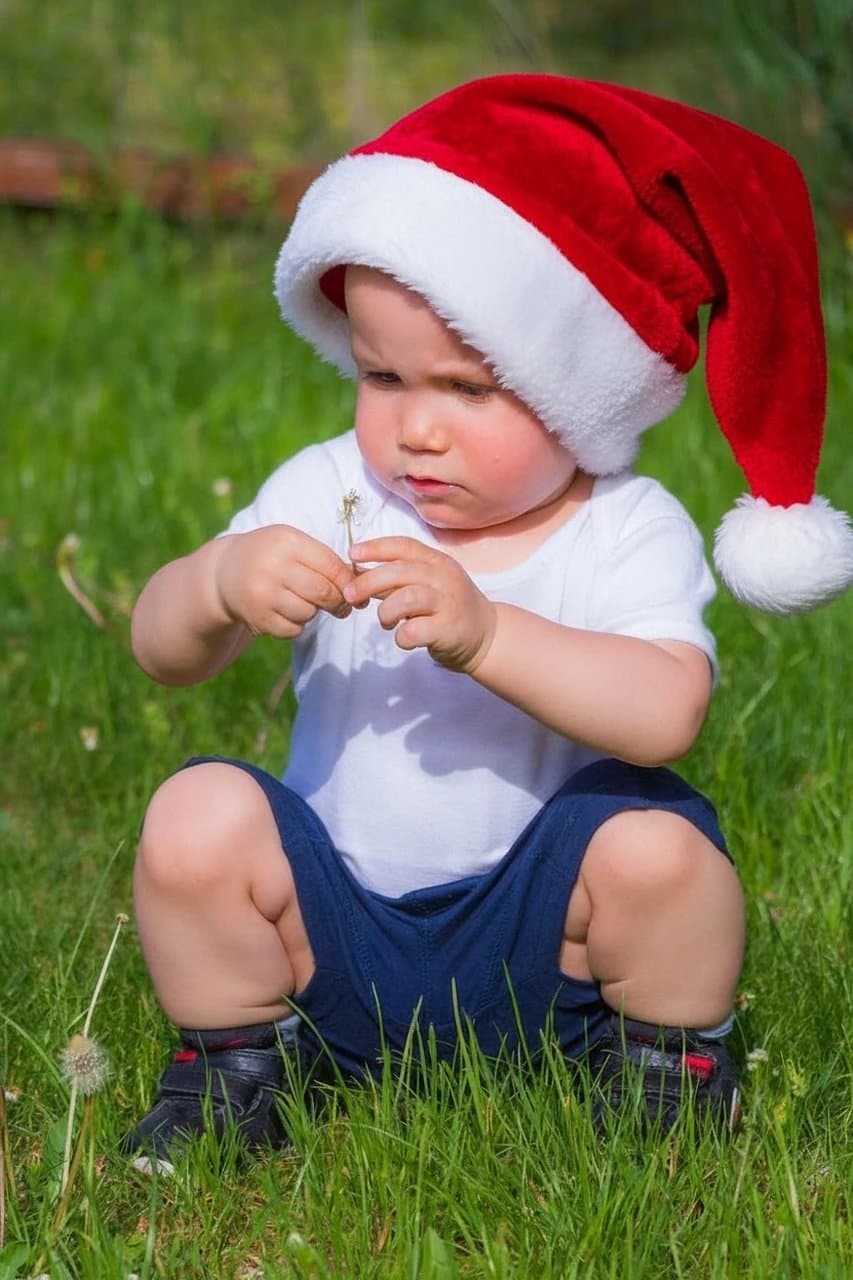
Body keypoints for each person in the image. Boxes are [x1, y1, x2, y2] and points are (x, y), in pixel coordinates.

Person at [123, 75, 853, 1171]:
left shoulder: (622, 522)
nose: (416, 425)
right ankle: (239, 1061)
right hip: (334, 939)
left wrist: (488, 634)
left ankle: (663, 1067)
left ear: (578, 392)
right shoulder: (329, 485)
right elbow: (159, 650)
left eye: (468, 388)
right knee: (195, 812)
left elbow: (666, 712)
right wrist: (221, 581)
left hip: (544, 953)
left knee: (658, 844)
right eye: (380, 373)